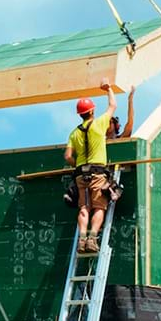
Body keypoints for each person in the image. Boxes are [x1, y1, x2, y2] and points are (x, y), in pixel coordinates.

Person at [64, 78, 116, 252]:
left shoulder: (74, 133)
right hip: (98, 173)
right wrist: (108, 89)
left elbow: (68, 156)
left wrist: (77, 163)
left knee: (84, 207)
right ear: (92, 110)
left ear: (80, 114)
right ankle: (92, 239)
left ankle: (82, 240)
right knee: (99, 206)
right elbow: (112, 106)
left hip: (80, 175)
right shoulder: (99, 124)